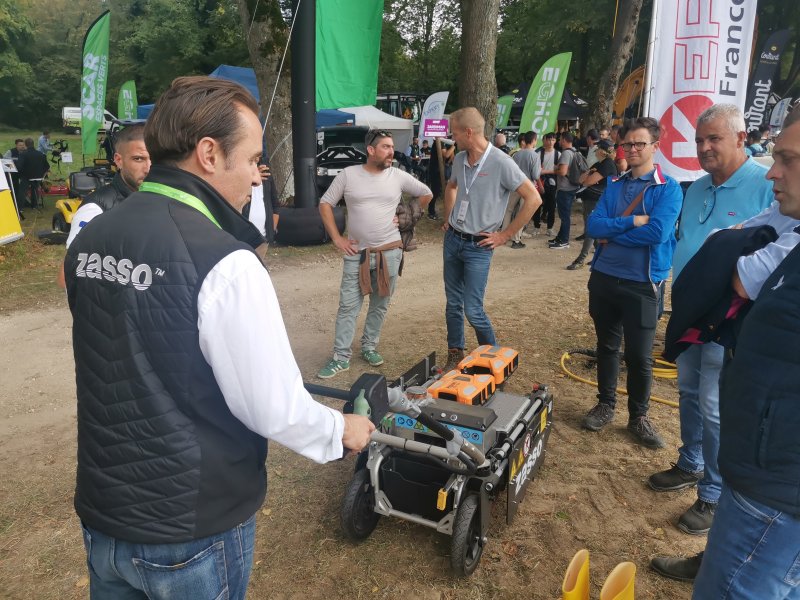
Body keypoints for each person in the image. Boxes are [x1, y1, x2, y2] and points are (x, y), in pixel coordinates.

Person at [63, 76, 375, 599]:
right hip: (190, 529)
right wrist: (340, 429)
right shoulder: (225, 261)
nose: (257, 178)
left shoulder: (91, 236)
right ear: (209, 153)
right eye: (252, 159)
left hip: (104, 515)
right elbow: (273, 406)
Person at [688, 106, 800, 599]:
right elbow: (715, 249)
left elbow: (734, 273)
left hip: (774, 491)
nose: (774, 171)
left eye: (789, 159)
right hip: (760, 473)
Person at [647, 104, 775, 535]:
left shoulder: (766, 184)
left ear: (741, 138)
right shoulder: (696, 187)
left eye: (713, 139)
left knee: (714, 405)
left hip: (730, 318)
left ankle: (714, 493)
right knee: (687, 391)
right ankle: (690, 461)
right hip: (689, 312)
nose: (703, 147)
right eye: (699, 140)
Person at [581, 116, 683, 448]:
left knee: (639, 357)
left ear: (656, 146)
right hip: (605, 279)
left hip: (642, 284)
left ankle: (638, 416)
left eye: (641, 143)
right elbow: (595, 227)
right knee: (607, 347)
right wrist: (633, 221)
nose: (633, 149)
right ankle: (605, 404)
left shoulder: (668, 189)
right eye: (629, 144)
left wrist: (616, 231)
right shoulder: (613, 184)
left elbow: (658, 232)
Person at [317, 129, 432, 378]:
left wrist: (407, 216)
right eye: (386, 147)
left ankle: (369, 346)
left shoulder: (398, 176)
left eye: (391, 147)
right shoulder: (348, 175)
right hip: (357, 253)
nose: (391, 151)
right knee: (348, 306)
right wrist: (337, 238)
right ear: (371, 150)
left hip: (390, 251)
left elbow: (426, 194)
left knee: (380, 305)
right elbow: (325, 203)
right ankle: (341, 356)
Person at [442, 107, 541, 369]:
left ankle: (493, 358)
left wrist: (505, 235)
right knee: (453, 303)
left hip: (479, 247)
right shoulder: (461, 158)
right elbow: (451, 186)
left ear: (469, 132)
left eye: (454, 132)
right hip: (453, 240)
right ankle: (455, 352)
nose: (452, 138)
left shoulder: (501, 162)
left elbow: (534, 198)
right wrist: (449, 217)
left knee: (472, 309)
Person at [65, 123, 151, 248]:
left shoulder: (165, 199)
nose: (148, 168)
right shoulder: (95, 208)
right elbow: (72, 264)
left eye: (153, 159)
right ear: (118, 160)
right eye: (138, 159)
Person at [566, 138, 618, 270]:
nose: (595, 151)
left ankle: (581, 259)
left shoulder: (607, 164)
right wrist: (589, 174)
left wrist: (588, 177)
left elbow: (587, 182)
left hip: (598, 200)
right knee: (592, 228)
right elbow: (581, 180)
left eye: (597, 148)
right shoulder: (600, 164)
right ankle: (600, 257)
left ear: (602, 151)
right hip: (591, 199)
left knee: (591, 229)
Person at [503, 131, 541, 249]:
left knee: (508, 210)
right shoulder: (535, 156)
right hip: (528, 186)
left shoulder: (517, 154)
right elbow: (535, 175)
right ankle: (516, 239)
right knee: (522, 212)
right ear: (534, 140)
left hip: (515, 185)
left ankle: (504, 235)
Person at [548, 132, 580, 249]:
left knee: (564, 216)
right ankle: (560, 238)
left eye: (560, 139)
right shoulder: (575, 151)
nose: (559, 142)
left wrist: (556, 169)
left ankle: (564, 241)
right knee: (564, 215)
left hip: (565, 188)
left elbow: (563, 172)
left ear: (565, 140)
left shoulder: (566, 153)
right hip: (572, 187)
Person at [536, 132, 560, 236]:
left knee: (551, 206)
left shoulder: (558, 154)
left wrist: (545, 171)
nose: (551, 142)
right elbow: (536, 171)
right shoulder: (538, 153)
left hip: (552, 183)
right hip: (539, 181)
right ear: (544, 140)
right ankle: (536, 227)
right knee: (537, 205)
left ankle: (550, 228)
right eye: (549, 139)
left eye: (553, 140)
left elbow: (561, 171)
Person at [16, 138, 49, 209]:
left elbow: (19, 166)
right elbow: (47, 166)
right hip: (38, 177)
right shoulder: (41, 154)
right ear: (33, 144)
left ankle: (20, 208)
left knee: (22, 191)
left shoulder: (23, 154)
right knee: (35, 189)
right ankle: (34, 205)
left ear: (25, 145)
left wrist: (21, 174)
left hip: (26, 177)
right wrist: (41, 175)